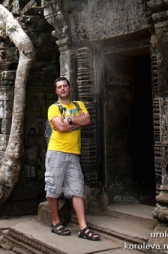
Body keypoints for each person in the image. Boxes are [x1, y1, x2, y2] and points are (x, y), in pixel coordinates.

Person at [45, 76, 100, 241]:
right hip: (56, 152)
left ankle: (83, 227)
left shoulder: (79, 105)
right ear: (56, 91)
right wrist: (77, 122)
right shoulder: (53, 108)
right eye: (59, 87)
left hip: (74, 153)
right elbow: (61, 127)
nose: (62, 89)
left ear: (69, 88)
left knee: (77, 189)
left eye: (65, 86)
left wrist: (69, 120)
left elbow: (88, 120)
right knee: (53, 188)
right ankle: (56, 222)